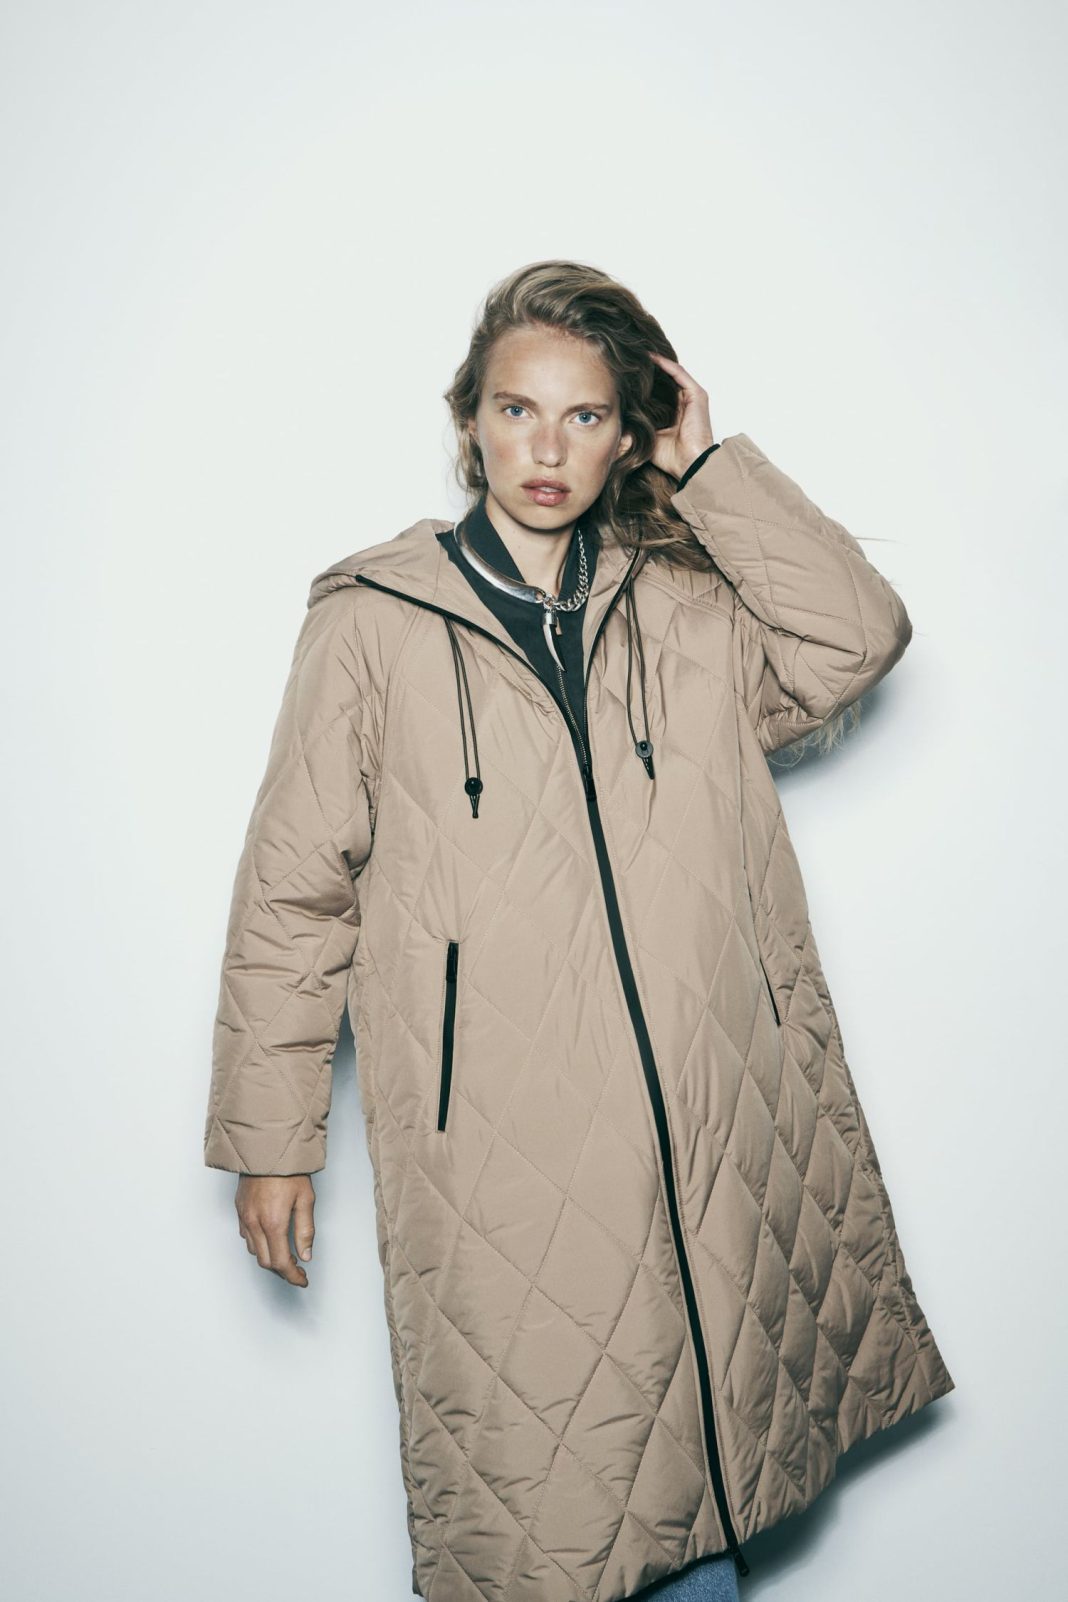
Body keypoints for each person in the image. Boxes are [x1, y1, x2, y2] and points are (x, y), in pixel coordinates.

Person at [204, 261, 955, 1602]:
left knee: (708, 1455)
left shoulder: (686, 603)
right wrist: (272, 1139)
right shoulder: (370, 626)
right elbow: (292, 890)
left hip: (712, 1114)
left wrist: (711, 466)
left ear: (628, 434)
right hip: (504, 1139)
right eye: (517, 410)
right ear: (469, 422)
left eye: (587, 416)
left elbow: (857, 639)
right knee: (556, 1493)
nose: (547, 449)